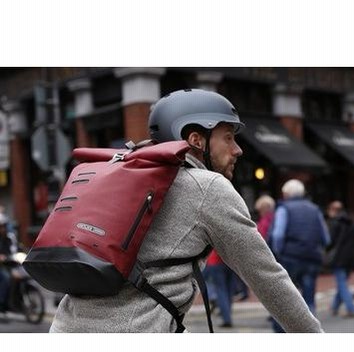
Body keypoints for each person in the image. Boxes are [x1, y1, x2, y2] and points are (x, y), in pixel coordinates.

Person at [50, 89, 323, 333]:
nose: (238, 150)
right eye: (228, 138)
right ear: (196, 140)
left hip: (65, 327)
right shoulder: (207, 187)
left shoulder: (124, 174)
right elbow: (267, 277)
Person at [270, 179, 330, 332]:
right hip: (312, 258)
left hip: (290, 258)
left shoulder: (284, 209)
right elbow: (326, 237)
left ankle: (284, 331)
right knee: (309, 300)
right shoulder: (315, 209)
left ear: (286, 194)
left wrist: (279, 252)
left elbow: (278, 235)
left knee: (286, 297)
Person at [326, 201, 354, 318]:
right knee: (342, 283)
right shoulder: (353, 222)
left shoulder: (334, 223)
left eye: (329, 210)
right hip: (350, 259)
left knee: (342, 284)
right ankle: (334, 307)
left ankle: (351, 309)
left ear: (333, 210)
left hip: (338, 258)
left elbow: (329, 242)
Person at [206, 249, 236, 328]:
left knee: (221, 291)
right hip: (231, 263)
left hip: (216, 262)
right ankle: (227, 315)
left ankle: (226, 318)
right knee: (229, 291)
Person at [0, 214, 17, 313]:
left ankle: (16, 301)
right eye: (0, 227)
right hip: (1, 266)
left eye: (4, 226)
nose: (2, 229)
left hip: (10, 263)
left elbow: (15, 248)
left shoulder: (10, 237)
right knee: (6, 278)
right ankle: (2, 303)